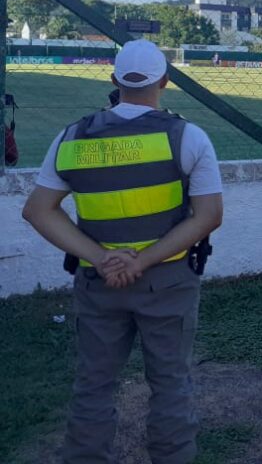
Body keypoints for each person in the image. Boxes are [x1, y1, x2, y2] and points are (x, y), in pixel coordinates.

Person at [22, 39, 224, 464]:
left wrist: (99, 257)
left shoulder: (71, 135)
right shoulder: (187, 136)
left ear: (113, 80)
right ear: (164, 81)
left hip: (99, 281)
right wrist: (145, 260)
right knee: (170, 383)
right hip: (167, 282)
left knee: (94, 385)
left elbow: (39, 211)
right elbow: (207, 217)